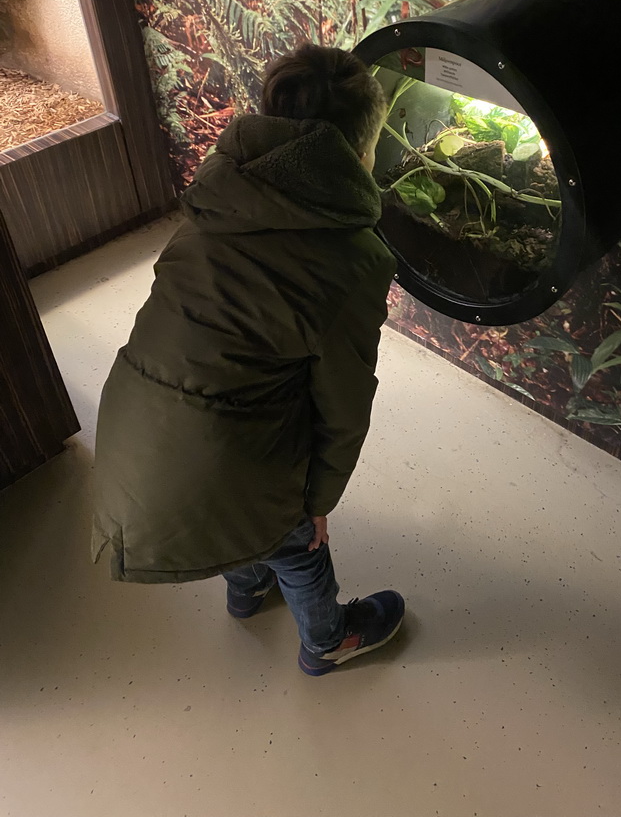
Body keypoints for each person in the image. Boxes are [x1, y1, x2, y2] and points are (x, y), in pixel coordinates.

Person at [91, 44, 405, 676]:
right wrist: (319, 500)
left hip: (134, 436)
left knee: (236, 500)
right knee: (300, 544)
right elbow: (344, 404)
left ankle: (243, 590)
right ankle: (328, 640)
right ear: (359, 153)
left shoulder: (214, 201)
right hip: (216, 459)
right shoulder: (356, 260)